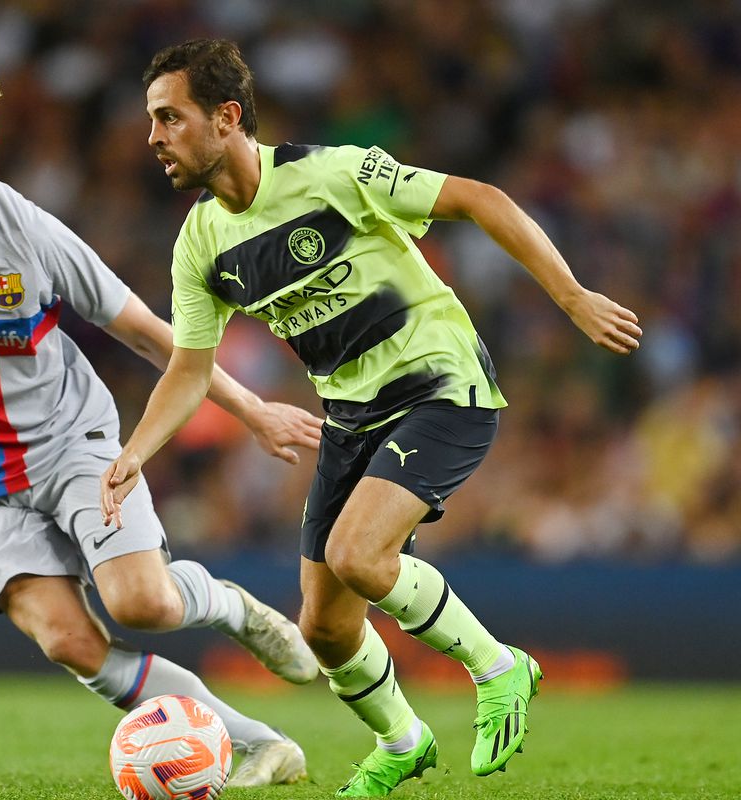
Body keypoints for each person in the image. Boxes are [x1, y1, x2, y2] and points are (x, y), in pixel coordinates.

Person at [101, 39, 643, 798]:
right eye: (152, 121)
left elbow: (478, 197)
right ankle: (404, 739)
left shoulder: (332, 172)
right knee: (324, 628)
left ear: (226, 118)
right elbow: (189, 372)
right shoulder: (200, 243)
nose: (153, 137)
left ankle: (499, 666)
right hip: (353, 416)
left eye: (169, 118)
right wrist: (136, 452)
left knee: (359, 554)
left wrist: (573, 296)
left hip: (439, 384)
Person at [0, 52, 324, 788]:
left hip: (69, 441)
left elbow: (149, 332)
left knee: (142, 604)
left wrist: (251, 411)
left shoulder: (28, 231)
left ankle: (233, 608)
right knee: (68, 641)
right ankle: (256, 743)